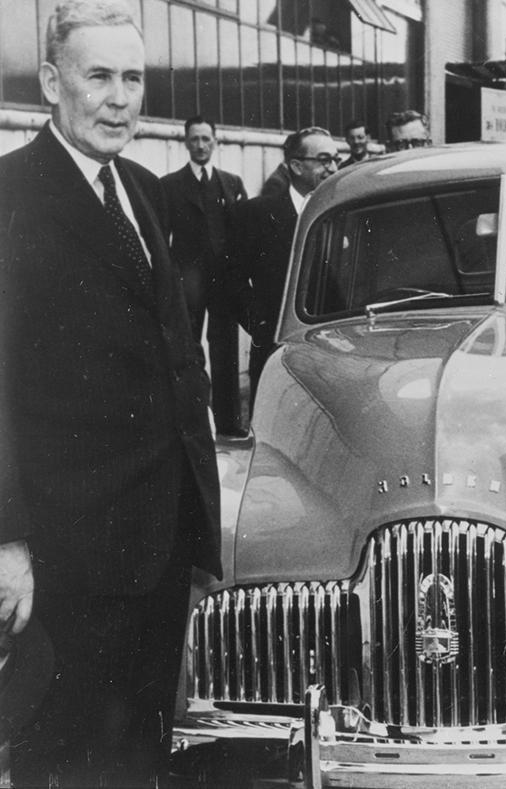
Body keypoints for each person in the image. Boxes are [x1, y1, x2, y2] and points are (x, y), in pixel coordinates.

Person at [0, 1, 222, 785]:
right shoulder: (12, 195)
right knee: (67, 760)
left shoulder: (142, 189)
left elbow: (175, 360)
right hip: (67, 559)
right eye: (100, 77)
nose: (121, 97)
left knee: (138, 759)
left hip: (159, 547)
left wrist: (201, 518)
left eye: (134, 77)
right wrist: (9, 541)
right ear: (53, 84)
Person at [229, 127, 340, 414]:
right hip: (276, 352)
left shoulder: (345, 210)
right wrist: (262, 328)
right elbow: (231, 280)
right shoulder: (256, 214)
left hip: (337, 353)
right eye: (324, 159)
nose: (334, 168)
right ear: (296, 165)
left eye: (336, 159)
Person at [162, 115, 249, 438]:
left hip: (223, 283)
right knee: (187, 350)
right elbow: (162, 237)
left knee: (225, 350)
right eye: (194, 139)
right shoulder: (169, 186)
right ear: (185, 142)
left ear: (216, 141)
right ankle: (191, 419)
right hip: (188, 283)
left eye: (206, 139)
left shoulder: (231, 183)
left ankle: (229, 422)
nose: (200, 145)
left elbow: (241, 235)